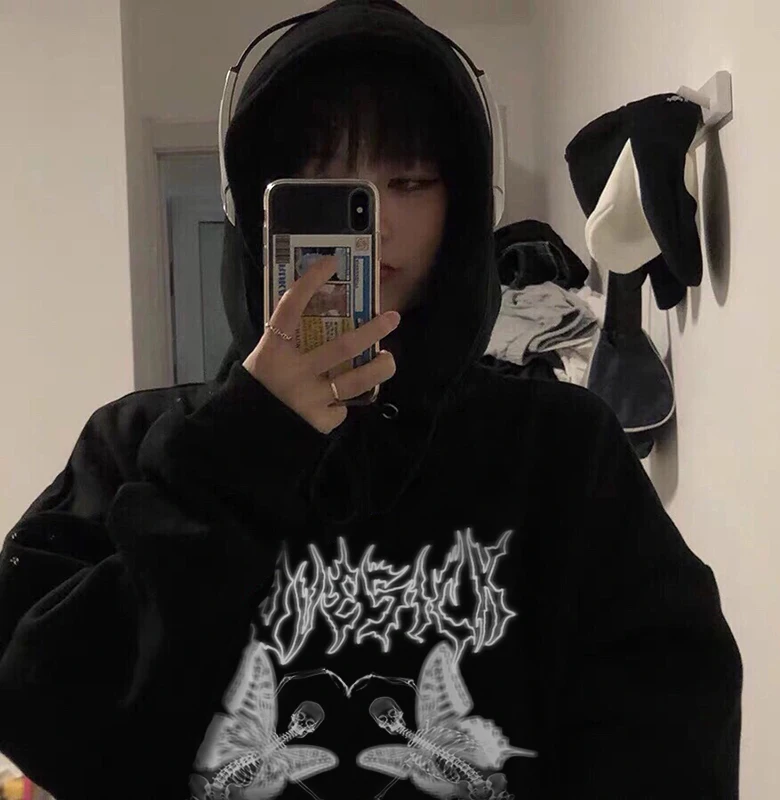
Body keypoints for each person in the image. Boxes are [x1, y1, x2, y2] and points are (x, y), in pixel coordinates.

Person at [0, 2, 742, 799]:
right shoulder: (137, 445)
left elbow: (672, 728)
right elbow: (42, 714)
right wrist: (244, 449)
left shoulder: (559, 450)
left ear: (463, 205)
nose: (375, 223)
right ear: (254, 207)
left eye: (410, 181)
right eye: (321, 185)